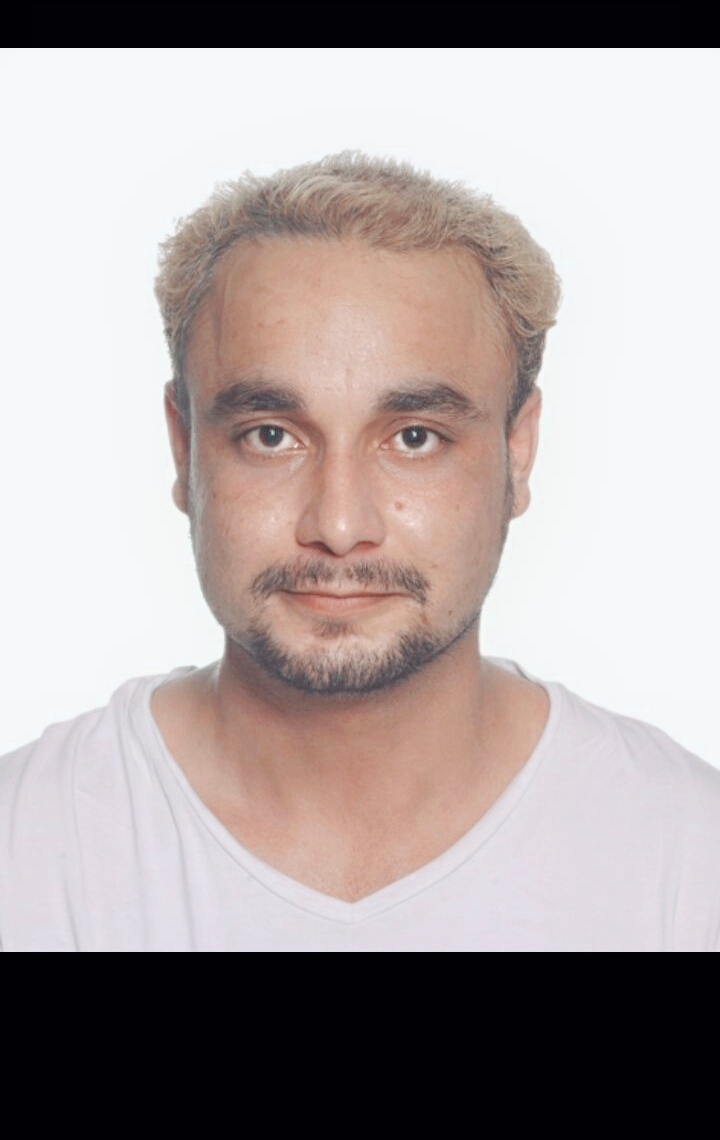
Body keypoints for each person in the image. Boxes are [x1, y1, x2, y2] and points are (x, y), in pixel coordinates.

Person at [1, 152, 718, 952]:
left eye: (414, 438)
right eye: (270, 436)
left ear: (518, 454)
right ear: (185, 448)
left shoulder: (688, 858)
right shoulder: (28, 851)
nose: (339, 526)